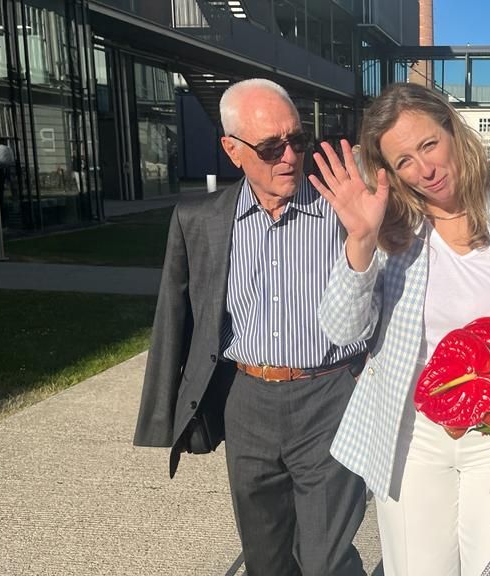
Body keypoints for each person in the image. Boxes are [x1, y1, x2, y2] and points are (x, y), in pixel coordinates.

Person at [308, 82, 490, 575]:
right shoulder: (389, 232)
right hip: (414, 437)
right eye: (404, 161)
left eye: (428, 145)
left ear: (454, 132)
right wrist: (360, 241)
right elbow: (342, 331)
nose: (424, 170)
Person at [133, 78, 368, 576]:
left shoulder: (343, 209)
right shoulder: (203, 220)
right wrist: (166, 411)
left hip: (328, 397)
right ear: (232, 150)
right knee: (264, 557)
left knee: (326, 558)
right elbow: (176, 318)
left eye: (297, 140)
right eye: (270, 147)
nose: (289, 156)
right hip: (246, 400)